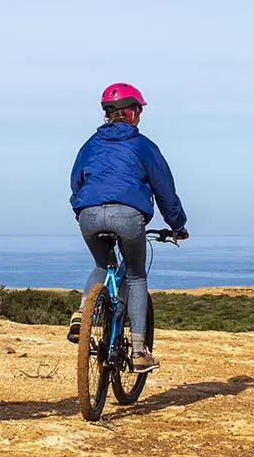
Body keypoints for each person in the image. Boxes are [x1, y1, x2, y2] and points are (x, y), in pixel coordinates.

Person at [68, 82, 188, 373]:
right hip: (129, 217)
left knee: (101, 263)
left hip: (89, 215)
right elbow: (165, 191)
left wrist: (84, 210)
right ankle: (137, 351)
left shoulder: (89, 145)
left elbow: (76, 183)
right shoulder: (143, 146)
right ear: (132, 113)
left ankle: (83, 313)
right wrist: (177, 225)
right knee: (135, 277)